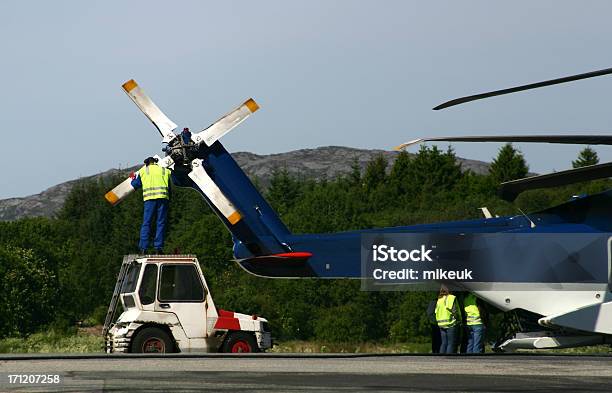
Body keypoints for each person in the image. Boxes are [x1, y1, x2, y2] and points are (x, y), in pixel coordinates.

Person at [131, 157, 172, 254]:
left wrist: (132, 177)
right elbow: (169, 188)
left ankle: (143, 249)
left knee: (147, 223)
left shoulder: (143, 171)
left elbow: (135, 184)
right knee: (161, 223)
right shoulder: (164, 170)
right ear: (155, 162)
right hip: (163, 198)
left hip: (149, 200)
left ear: (146, 163)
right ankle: (158, 248)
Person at [434, 285, 461, 354]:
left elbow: (436, 312)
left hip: (441, 325)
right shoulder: (451, 298)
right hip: (450, 324)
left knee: (444, 343)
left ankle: (442, 360)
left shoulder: (439, 299)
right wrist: (458, 320)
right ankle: (449, 361)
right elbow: (454, 311)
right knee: (451, 343)